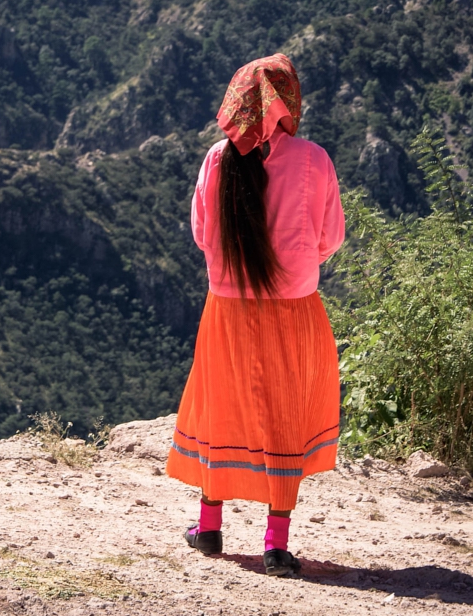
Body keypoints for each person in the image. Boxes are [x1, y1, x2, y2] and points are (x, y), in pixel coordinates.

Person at [165, 53, 345, 577]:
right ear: (289, 103)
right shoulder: (315, 160)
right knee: (286, 413)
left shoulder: (216, 160)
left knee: (220, 407)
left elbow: (202, 236)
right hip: (294, 309)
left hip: (226, 309)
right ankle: (276, 542)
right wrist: (295, 262)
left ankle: (209, 527)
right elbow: (330, 240)